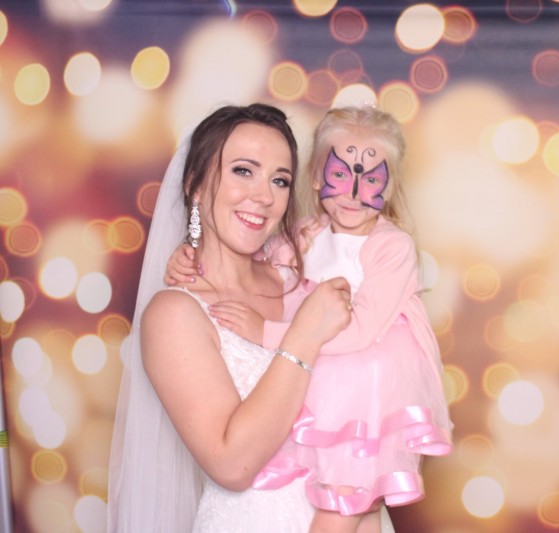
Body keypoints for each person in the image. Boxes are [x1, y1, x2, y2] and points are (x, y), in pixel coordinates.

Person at [168, 105, 453, 533]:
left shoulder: (389, 247)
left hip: (365, 391)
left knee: (348, 501)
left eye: (371, 180)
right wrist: (189, 255)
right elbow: (248, 262)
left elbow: (360, 330)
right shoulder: (303, 237)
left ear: (391, 186)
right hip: (309, 424)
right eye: (339, 174)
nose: (353, 193)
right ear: (317, 177)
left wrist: (267, 331)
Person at [107, 103, 367, 532]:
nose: (264, 196)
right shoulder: (175, 313)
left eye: (280, 180)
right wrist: (304, 335)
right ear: (195, 183)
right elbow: (232, 464)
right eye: (243, 171)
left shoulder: (305, 281)